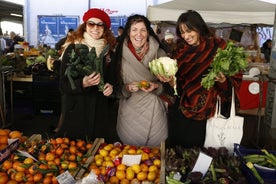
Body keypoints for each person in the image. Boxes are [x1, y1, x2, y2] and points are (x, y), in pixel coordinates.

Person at [157, 10, 243, 148]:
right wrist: (170, 82)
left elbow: (234, 77)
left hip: (207, 112)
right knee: (179, 151)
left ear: (199, 28)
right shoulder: (178, 51)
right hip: (181, 111)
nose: (186, 36)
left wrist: (222, 81)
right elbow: (176, 87)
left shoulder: (218, 47)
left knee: (200, 152)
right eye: (182, 32)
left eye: (189, 31)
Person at [57, 8, 119, 142]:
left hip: (101, 116)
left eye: (100, 24)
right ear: (85, 26)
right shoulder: (72, 48)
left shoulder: (109, 52)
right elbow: (63, 85)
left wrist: (111, 88)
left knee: (99, 154)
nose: (95, 28)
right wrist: (82, 83)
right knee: (75, 154)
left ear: (105, 28)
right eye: (91, 24)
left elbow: (114, 80)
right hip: (76, 114)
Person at [114, 14, 168, 146]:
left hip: (154, 109)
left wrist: (156, 86)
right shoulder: (118, 54)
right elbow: (113, 87)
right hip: (129, 111)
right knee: (130, 156)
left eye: (143, 30)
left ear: (148, 31)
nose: (139, 34)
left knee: (153, 158)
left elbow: (171, 86)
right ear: (128, 32)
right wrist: (126, 88)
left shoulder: (159, 53)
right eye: (134, 30)